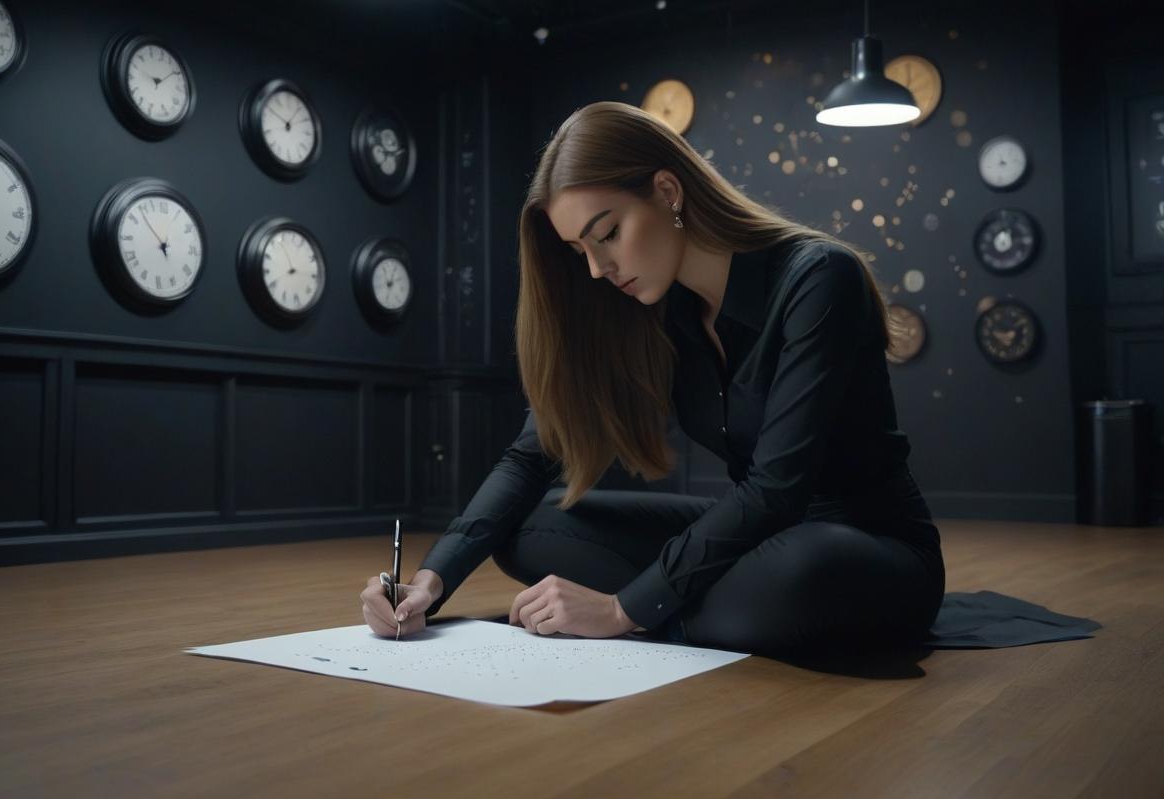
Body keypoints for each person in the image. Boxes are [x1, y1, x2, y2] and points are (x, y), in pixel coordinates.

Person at [360, 100, 945, 658]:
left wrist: (621, 611)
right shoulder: (650, 312)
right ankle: (701, 607)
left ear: (667, 192)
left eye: (607, 234)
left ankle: (671, 606)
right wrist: (430, 582)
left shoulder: (818, 277)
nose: (597, 269)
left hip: (862, 547)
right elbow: (531, 457)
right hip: (755, 543)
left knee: (798, 573)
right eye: (579, 250)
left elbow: (777, 488)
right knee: (533, 528)